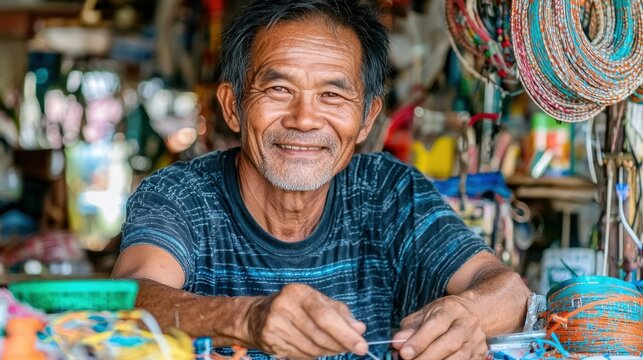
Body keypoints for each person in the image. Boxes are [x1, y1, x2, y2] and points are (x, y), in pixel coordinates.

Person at [112, 0, 531, 359]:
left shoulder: (388, 192)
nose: (305, 119)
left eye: (332, 95)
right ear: (233, 106)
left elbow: (508, 291)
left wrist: (468, 315)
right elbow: (125, 301)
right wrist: (246, 319)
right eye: (278, 89)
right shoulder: (179, 195)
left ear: (367, 118)